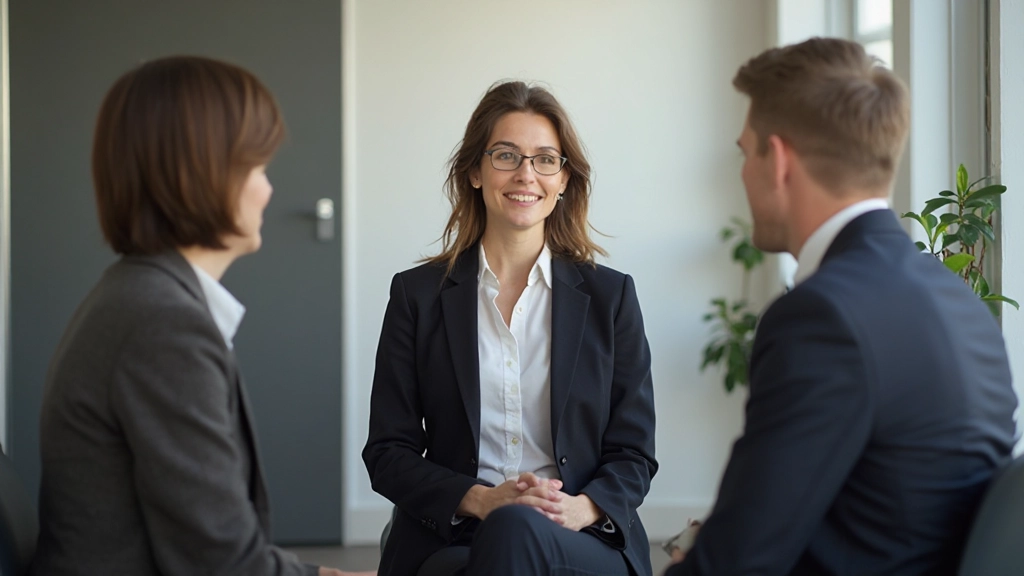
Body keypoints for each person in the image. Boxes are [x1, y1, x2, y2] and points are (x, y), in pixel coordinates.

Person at [666, 37, 1018, 576]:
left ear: (779, 161)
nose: (741, 172)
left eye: (745, 151)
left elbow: (736, 564)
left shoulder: (820, 317)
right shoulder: (961, 301)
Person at [31, 56, 371, 576]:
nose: (269, 189)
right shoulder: (162, 325)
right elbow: (224, 565)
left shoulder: (139, 295)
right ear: (204, 172)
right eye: (257, 168)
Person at [362, 81, 658, 576]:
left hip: (578, 533)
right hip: (454, 531)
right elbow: (388, 451)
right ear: (475, 171)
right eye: (506, 155)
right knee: (498, 540)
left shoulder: (611, 297)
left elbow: (633, 451)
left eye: (545, 159)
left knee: (515, 533)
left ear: (564, 179)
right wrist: (481, 500)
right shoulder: (417, 296)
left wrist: (581, 508)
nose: (526, 174)